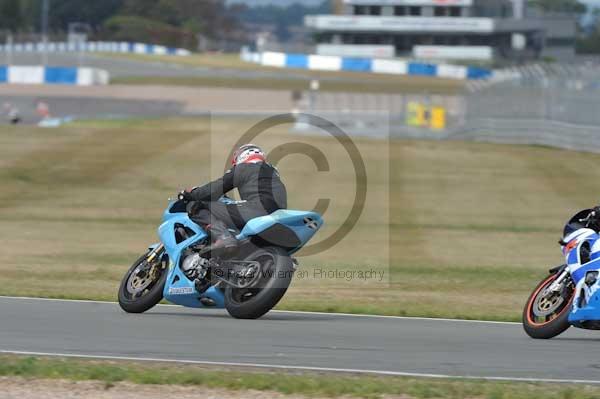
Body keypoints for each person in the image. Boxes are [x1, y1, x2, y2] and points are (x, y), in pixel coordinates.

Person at [179, 144, 287, 255]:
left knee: (195, 206)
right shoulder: (273, 171)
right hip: (278, 215)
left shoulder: (244, 168)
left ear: (242, 156)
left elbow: (216, 188)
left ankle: (224, 237)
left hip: (257, 210)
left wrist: (192, 194)